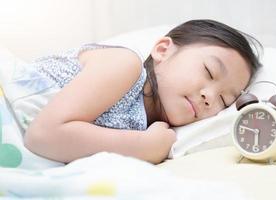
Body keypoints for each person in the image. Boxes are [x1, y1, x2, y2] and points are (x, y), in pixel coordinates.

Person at [20, 19, 262, 164]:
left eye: (224, 99)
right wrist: (144, 147)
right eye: (209, 72)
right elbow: (42, 135)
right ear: (163, 50)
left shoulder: (151, 126)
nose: (209, 97)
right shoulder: (124, 65)